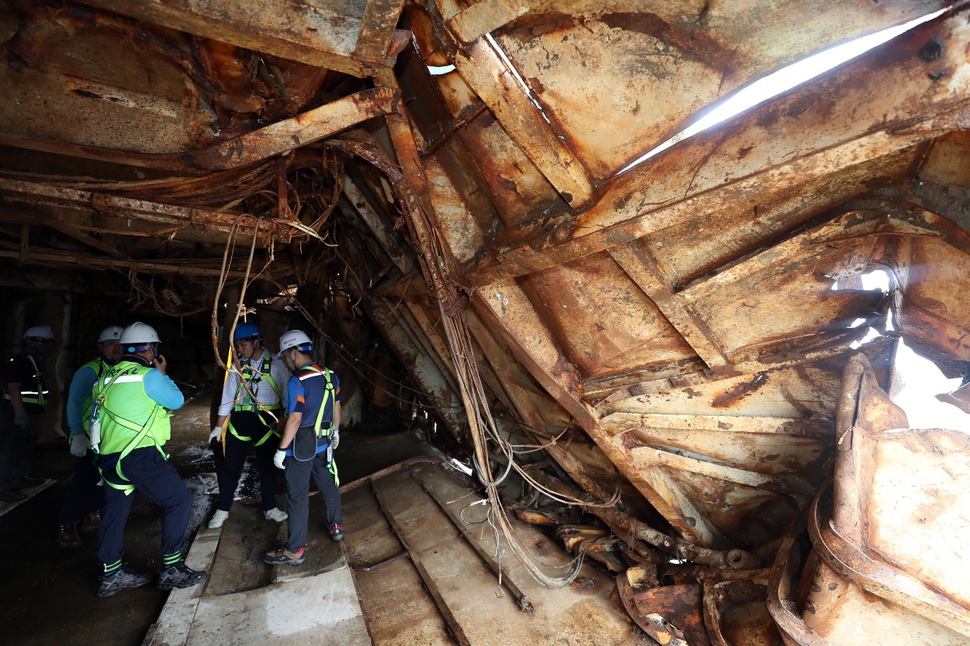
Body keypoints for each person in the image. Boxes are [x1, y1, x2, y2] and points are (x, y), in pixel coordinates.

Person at [92, 322, 206, 596]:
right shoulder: (148, 376)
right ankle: (172, 569)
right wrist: (162, 372)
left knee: (114, 513)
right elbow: (176, 401)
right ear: (151, 350)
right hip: (139, 454)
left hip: (108, 457)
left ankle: (111, 575)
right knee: (179, 499)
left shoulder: (105, 377)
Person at [264, 329, 343, 566]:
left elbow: (295, 419)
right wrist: (336, 432)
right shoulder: (331, 376)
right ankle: (336, 526)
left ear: (294, 352)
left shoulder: (297, 382)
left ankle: (294, 550)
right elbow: (337, 409)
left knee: (297, 497)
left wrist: (281, 449)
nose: (286, 363)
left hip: (300, 448)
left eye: (286, 358)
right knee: (328, 485)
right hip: (324, 444)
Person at [208, 322, 289, 529]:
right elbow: (227, 398)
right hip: (239, 424)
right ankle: (223, 509)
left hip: (267, 423)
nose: (239, 349)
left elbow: (288, 396)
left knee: (267, 468)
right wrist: (218, 427)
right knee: (231, 469)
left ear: (256, 342)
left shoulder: (278, 365)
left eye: (243, 344)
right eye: (237, 345)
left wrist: (284, 421)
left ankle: (270, 508)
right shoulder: (238, 366)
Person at [56, 326, 123, 548]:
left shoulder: (126, 369)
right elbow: (74, 403)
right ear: (100, 347)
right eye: (110, 343)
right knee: (84, 482)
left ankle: (92, 512)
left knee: (106, 481)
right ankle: (67, 522)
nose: (116, 347)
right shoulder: (89, 371)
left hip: (112, 438)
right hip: (87, 438)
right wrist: (77, 434)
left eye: (120, 343)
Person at [0, 325, 55, 502]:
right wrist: (19, 412)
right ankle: (4, 487)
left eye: (48, 342)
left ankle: (20, 478)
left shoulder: (32, 361)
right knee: (12, 451)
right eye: (41, 341)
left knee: (25, 448)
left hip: (32, 413)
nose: (45, 345)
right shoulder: (21, 361)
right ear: (28, 341)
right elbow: (13, 388)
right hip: (18, 414)